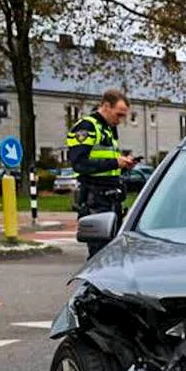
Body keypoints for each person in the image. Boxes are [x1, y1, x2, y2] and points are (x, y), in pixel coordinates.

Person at [67, 89, 136, 257]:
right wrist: (115, 162)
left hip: (111, 198)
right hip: (95, 200)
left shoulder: (108, 128)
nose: (121, 120)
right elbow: (80, 164)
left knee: (112, 252)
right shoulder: (87, 127)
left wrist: (122, 164)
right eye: (119, 115)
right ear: (106, 106)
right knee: (99, 254)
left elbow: (104, 161)